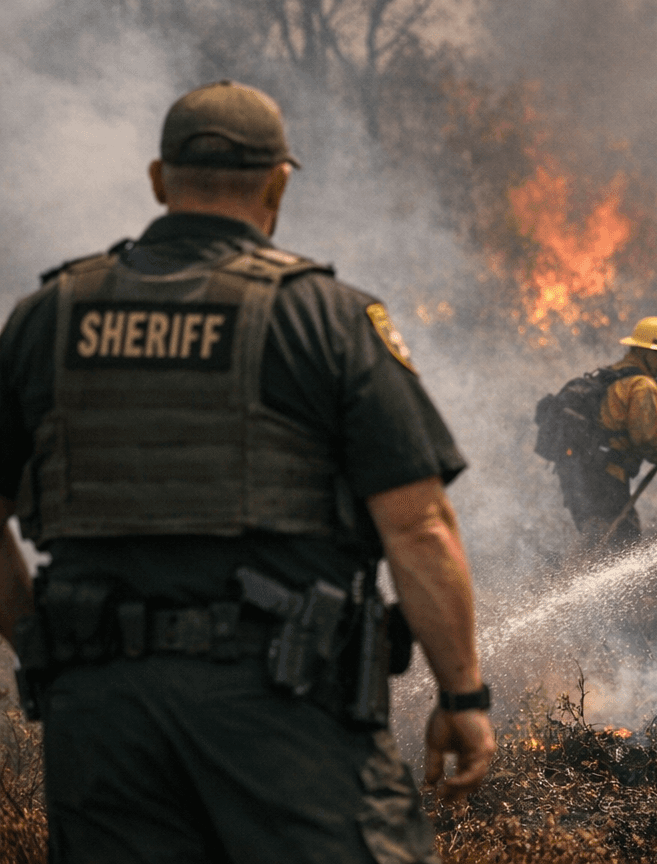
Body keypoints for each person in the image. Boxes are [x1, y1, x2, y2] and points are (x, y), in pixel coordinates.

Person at [0, 80, 494, 863]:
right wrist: (463, 695)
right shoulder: (323, 317)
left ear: (159, 180)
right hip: (283, 709)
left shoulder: (45, 319)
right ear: (278, 183)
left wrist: (40, 649)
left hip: (98, 719)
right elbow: (421, 526)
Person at [555, 317, 657, 546]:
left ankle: (574, 578)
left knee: (598, 542)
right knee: (624, 545)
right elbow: (647, 438)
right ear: (646, 351)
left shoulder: (612, 375)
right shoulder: (641, 385)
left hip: (579, 475)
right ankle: (579, 581)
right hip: (606, 480)